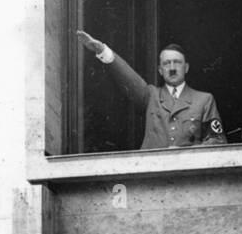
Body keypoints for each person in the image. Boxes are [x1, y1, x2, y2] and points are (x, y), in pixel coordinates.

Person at [77, 31, 226, 150]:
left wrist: (186, 153)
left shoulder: (204, 100)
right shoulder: (151, 96)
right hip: (153, 176)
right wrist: (103, 50)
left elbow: (218, 141)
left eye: (177, 63)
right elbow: (129, 78)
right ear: (160, 70)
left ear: (186, 68)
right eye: (167, 64)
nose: (172, 68)